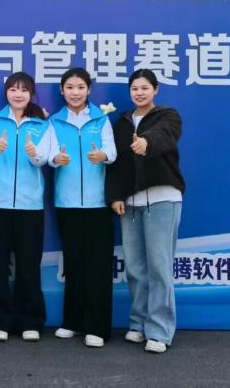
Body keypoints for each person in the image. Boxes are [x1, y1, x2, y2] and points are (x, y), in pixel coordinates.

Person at [106, 68, 185, 354]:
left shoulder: (168, 116)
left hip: (163, 199)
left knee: (159, 267)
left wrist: (146, 143)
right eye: (134, 89)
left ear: (155, 90)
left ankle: (159, 330)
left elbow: (164, 136)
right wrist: (115, 195)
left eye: (144, 88)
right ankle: (138, 323)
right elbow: (115, 162)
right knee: (136, 268)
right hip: (130, 203)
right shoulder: (122, 122)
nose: (139, 93)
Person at [41, 67, 116, 348]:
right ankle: (72, 321)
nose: (75, 92)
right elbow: (48, 154)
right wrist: (56, 159)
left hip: (98, 204)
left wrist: (103, 155)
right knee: (73, 263)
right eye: (70, 87)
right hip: (67, 202)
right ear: (62, 91)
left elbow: (113, 152)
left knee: (97, 265)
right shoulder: (54, 121)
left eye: (80, 87)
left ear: (89, 90)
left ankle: (97, 327)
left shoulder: (101, 119)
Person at [0, 71, 50, 343]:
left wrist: (35, 154)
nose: (18, 94)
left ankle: (30, 320)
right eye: (13, 89)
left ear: (31, 94)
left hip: (30, 205)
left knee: (28, 265)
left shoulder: (42, 123)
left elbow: (45, 158)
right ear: (6, 92)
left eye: (24, 90)